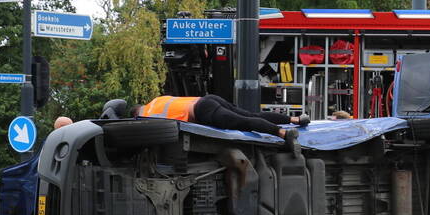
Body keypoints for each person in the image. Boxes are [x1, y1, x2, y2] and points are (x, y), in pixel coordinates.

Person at [111, 96, 305, 139]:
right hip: (206, 99)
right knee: (249, 114)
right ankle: (295, 120)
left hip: (202, 112)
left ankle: (282, 134)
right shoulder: (157, 100)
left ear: (136, 114)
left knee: (243, 123)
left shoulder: (146, 117)